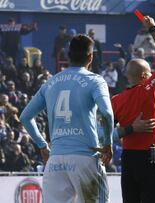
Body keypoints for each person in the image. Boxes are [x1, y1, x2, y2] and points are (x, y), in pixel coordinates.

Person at [20, 35, 114, 203]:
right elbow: (107, 114)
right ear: (90, 57)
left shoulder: (50, 83)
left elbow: (25, 117)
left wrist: (42, 145)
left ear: (68, 56)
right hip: (85, 157)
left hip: (55, 161)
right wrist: (108, 143)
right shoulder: (95, 81)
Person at [111, 16, 155, 203]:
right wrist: (152, 28)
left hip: (128, 158)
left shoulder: (116, 100)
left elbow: (106, 134)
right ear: (146, 75)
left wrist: (129, 129)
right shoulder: (149, 88)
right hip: (150, 153)